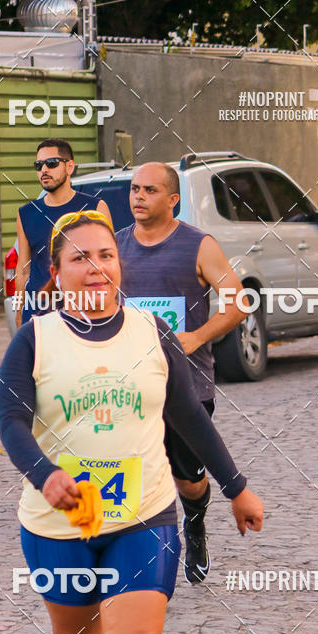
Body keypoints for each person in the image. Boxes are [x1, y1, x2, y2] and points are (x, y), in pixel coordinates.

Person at [0, 211, 263, 634]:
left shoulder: (151, 332)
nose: (95, 267)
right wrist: (44, 473)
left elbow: (189, 417)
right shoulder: (34, 338)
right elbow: (9, 419)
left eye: (104, 257)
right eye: (79, 259)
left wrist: (236, 487)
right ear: (56, 277)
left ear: (119, 267)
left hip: (143, 515)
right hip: (60, 522)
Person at [117, 162, 249, 584]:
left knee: (188, 481)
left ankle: (195, 521)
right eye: (135, 189)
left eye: (149, 190)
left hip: (187, 386)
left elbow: (238, 302)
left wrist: (195, 337)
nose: (138, 197)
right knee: (133, 474)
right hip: (129, 386)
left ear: (172, 199)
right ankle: (142, 555)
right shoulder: (115, 247)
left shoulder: (198, 245)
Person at [15, 138, 112, 326]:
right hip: (38, 314)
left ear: (70, 167)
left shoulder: (95, 208)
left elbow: (107, 265)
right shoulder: (26, 213)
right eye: (39, 165)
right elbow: (23, 271)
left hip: (83, 313)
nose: (44, 170)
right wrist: (19, 313)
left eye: (51, 164)